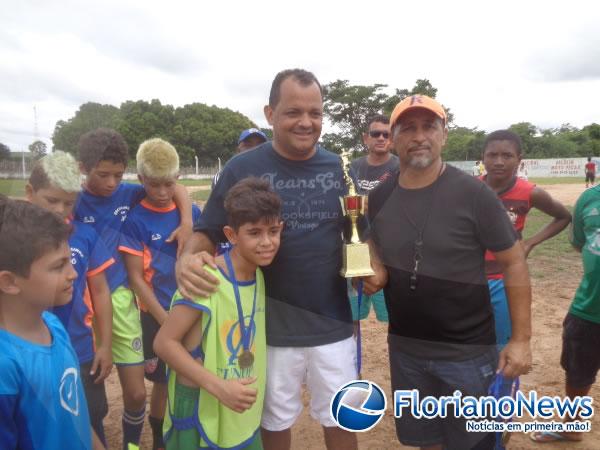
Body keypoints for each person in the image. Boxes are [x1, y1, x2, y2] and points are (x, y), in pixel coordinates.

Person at [176, 69, 358, 450]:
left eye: (315, 113)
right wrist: (188, 259)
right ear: (270, 113)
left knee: (341, 416)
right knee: (274, 420)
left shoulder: (341, 169)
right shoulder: (241, 168)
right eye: (293, 112)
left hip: (332, 321)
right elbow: (208, 230)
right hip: (265, 326)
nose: (306, 122)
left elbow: (359, 234)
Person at [364, 95, 532, 450]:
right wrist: (374, 268)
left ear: (444, 135)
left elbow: (513, 262)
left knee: (475, 444)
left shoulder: (475, 194)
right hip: (406, 347)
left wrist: (520, 340)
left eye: (429, 126)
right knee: (427, 441)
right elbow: (373, 244)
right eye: (408, 128)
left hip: (467, 352)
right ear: (393, 139)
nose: (419, 136)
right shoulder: (379, 197)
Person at [73, 128, 193, 450]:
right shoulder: (72, 201)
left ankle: (131, 444)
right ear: (82, 168)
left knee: (138, 393)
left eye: (117, 174)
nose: (111, 183)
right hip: (79, 302)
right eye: (103, 175)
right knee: (86, 384)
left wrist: (187, 224)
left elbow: (175, 186)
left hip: (121, 299)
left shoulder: (131, 193)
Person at [155, 177, 282, 449]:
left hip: (239, 409)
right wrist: (219, 387)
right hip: (201, 408)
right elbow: (164, 343)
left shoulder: (259, 274)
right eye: (254, 232)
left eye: (273, 231)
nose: (267, 242)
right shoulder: (205, 279)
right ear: (231, 235)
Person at [26, 151, 115, 449]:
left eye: (68, 202)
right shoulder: (11, 238)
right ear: (29, 192)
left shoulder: (84, 235)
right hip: (27, 349)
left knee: (90, 417)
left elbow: (100, 291)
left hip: (79, 348)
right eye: (51, 200)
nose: (60, 210)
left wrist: (104, 345)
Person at [119, 138, 201, 450]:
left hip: (192, 310)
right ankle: (158, 441)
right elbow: (136, 279)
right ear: (141, 180)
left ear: (177, 179)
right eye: (155, 185)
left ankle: (189, 434)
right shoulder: (135, 219)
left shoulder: (190, 212)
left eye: (169, 184)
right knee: (164, 384)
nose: (163, 192)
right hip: (157, 314)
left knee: (194, 373)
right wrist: (165, 320)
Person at [0, 197, 91, 449]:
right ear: (9, 282)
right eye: (58, 266)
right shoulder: (5, 365)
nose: (73, 273)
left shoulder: (53, 324)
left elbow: (73, 412)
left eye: (70, 260)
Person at [481, 130, 571, 348]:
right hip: (468, 278)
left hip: (506, 279)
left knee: (504, 343)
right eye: (492, 155)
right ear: (483, 158)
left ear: (519, 160)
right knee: (468, 342)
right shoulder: (468, 188)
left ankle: (503, 383)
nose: (499, 162)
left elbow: (564, 216)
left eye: (507, 155)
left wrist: (530, 242)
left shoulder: (530, 192)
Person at [530, 185, 600, 443]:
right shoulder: (590, 199)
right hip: (590, 307)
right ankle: (572, 427)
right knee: (577, 371)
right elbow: (580, 244)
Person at [349, 114, 398, 323]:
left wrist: (371, 203)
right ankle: (350, 355)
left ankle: (394, 355)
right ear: (365, 138)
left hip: (389, 251)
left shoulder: (401, 167)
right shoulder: (351, 167)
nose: (381, 138)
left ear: (393, 138)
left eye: (386, 134)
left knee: (393, 315)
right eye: (375, 133)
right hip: (356, 245)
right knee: (351, 313)